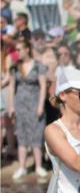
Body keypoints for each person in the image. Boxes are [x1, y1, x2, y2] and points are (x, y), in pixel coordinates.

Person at [12, 37, 47, 180]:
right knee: (21, 135)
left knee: (36, 135)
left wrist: (40, 105)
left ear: (27, 49)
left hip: (34, 104)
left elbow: (43, 86)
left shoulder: (38, 66)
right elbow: (11, 88)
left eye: (19, 49)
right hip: (20, 105)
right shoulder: (15, 67)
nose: (17, 52)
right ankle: (22, 167)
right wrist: (10, 107)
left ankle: (38, 166)